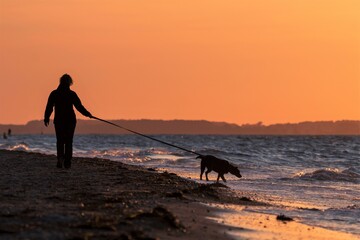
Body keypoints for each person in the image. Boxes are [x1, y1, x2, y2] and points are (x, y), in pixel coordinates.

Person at [44, 74, 92, 168]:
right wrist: (88, 114)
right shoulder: (71, 94)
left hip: (59, 120)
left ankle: (60, 159)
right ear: (70, 83)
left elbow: (49, 107)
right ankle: (67, 162)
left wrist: (46, 118)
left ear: (60, 82)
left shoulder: (54, 93)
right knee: (69, 141)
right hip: (70, 120)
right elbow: (79, 107)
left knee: (60, 140)